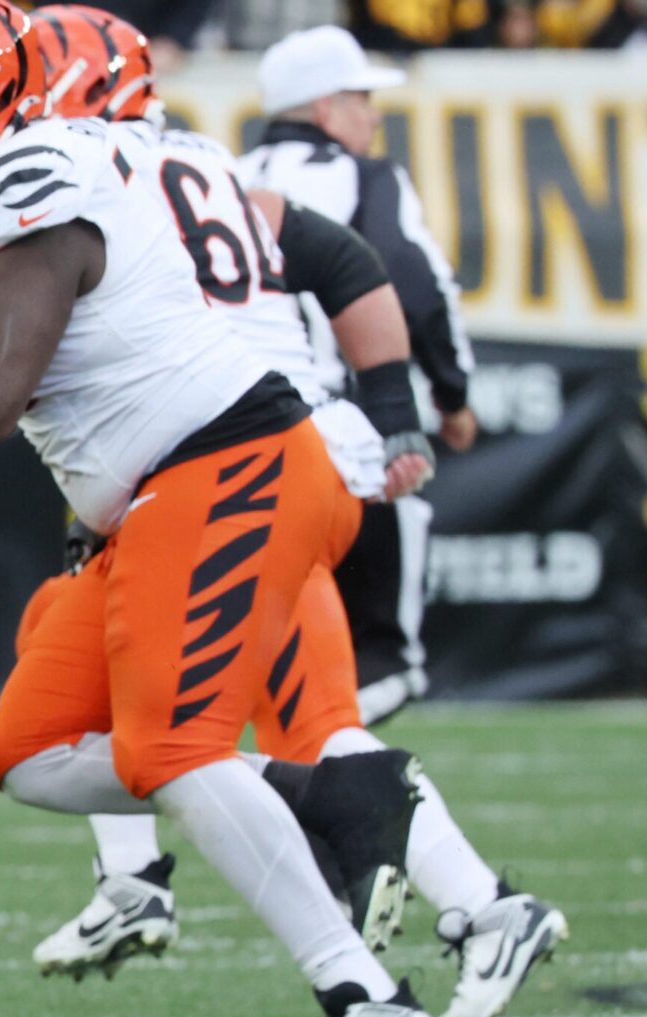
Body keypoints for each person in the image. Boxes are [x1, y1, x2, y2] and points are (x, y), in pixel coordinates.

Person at [0, 2, 431, 1017]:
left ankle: (364, 993)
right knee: (25, 749)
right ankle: (314, 791)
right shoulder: (25, 169)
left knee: (169, 750)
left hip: (229, 463)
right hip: (157, 494)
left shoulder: (30, 181)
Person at [0, 15, 565, 1017]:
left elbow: (345, 266)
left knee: (299, 734)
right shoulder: (194, 168)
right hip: (242, 470)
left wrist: (398, 416)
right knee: (80, 656)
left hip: (255, 474)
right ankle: (141, 884)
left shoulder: (106, 180)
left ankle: (478, 911)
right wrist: (416, 404)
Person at [241, 25, 477, 729]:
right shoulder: (368, 179)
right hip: (348, 441)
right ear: (325, 107)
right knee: (386, 664)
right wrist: (450, 391)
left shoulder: (223, 177)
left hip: (235, 443)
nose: (373, 115)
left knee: (271, 646)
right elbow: (413, 284)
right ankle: (319, 748)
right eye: (361, 98)